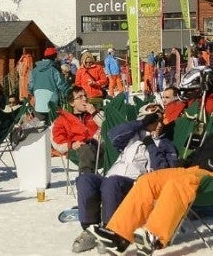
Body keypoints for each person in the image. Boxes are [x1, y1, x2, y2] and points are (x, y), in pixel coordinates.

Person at [89, 97, 213, 255]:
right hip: (191, 172)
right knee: (148, 180)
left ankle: (154, 235)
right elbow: (197, 157)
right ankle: (119, 235)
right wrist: (184, 162)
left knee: (177, 183)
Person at [71, 107, 178, 253]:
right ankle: (90, 229)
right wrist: (141, 124)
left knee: (112, 182)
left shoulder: (164, 143)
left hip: (135, 183)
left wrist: (151, 144)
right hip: (110, 178)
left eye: (161, 120)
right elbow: (113, 133)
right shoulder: (130, 138)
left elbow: (164, 170)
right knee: (85, 179)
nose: (159, 124)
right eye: (154, 120)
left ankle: (110, 232)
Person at [53, 87, 102, 174]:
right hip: (77, 152)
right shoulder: (63, 120)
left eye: (85, 96)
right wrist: (71, 144)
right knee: (85, 149)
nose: (84, 99)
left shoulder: (95, 113)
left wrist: (94, 113)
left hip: (100, 150)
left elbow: (107, 127)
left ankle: (88, 179)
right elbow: (57, 142)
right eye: (80, 97)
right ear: (72, 103)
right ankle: (87, 178)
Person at [29, 47, 69, 120]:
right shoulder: (54, 70)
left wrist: (32, 94)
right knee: (53, 126)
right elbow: (61, 85)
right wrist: (69, 92)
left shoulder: (34, 70)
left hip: (38, 103)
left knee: (42, 125)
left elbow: (31, 85)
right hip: (52, 103)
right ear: (54, 57)